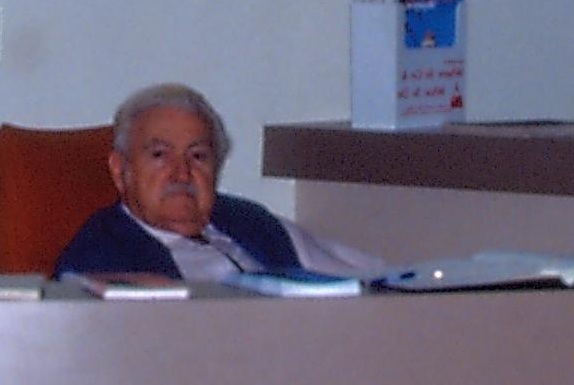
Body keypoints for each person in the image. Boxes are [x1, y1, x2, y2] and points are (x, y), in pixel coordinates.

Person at [53, 83, 383, 282]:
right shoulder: (99, 260)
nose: (181, 174)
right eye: (159, 156)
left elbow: (368, 280)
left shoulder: (250, 222)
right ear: (120, 170)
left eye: (197, 156)